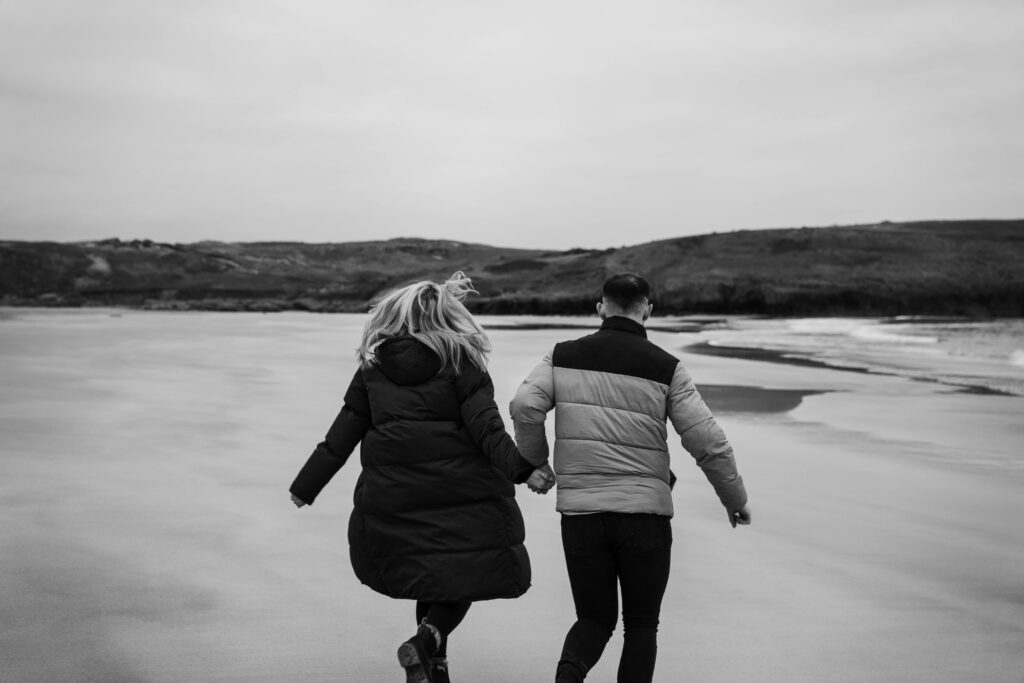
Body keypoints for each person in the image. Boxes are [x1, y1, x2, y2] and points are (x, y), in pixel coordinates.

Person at [289, 272, 553, 683]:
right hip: (462, 493)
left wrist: (306, 487)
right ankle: (428, 641)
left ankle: (434, 668)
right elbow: (487, 429)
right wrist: (523, 469)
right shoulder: (462, 362)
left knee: (428, 577)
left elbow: (341, 434)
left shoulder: (372, 369)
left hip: (395, 498)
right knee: (460, 578)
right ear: (448, 316)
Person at [510, 272, 751, 683]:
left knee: (593, 619)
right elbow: (708, 442)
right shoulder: (667, 367)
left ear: (601, 307)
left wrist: (536, 462)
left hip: (582, 514)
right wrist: (735, 498)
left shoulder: (561, 355)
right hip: (645, 517)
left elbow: (523, 405)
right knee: (641, 626)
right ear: (648, 311)